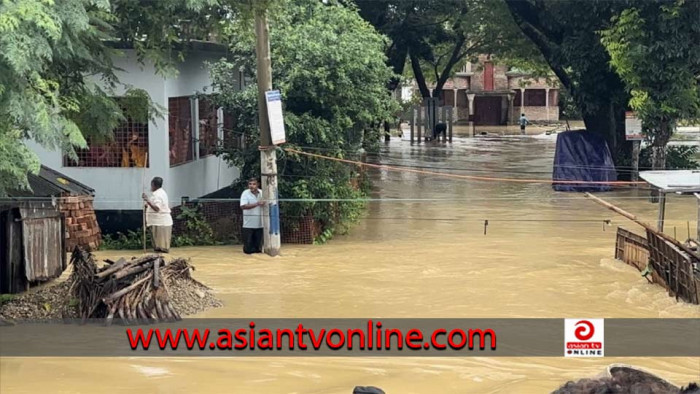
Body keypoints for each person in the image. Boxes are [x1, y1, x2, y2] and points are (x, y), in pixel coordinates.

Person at [142, 177, 172, 253]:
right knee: (158, 247)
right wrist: (148, 205)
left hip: (160, 223)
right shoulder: (161, 192)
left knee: (161, 248)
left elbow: (157, 208)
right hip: (159, 223)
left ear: (153, 184)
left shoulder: (158, 195)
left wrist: (147, 200)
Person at [240, 177, 265, 254]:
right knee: (248, 249)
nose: (251, 186)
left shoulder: (262, 193)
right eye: (250, 184)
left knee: (258, 249)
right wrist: (257, 204)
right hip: (248, 225)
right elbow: (243, 206)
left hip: (260, 225)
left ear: (258, 184)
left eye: (254, 184)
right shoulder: (245, 193)